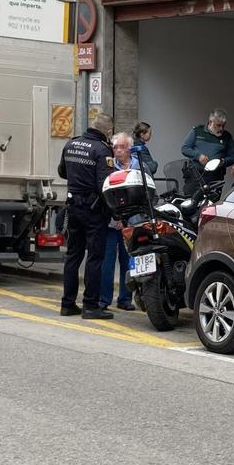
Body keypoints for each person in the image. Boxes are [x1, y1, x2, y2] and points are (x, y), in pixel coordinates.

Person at [57, 113, 115, 320]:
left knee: (73, 256)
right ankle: (90, 305)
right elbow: (105, 185)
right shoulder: (102, 150)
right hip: (93, 210)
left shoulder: (71, 144)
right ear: (108, 132)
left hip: (73, 206)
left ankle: (67, 303)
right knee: (95, 258)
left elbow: (62, 172)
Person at [101, 133, 138, 312]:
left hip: (131, 222)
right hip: (111, 222)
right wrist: (116, 217)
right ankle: (104, 299)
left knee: (128, 260)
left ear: (129, 148)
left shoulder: (139, 166)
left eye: (121, 147)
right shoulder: (108, 166)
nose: (117, 150)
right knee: (107, 261)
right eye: (115, 147)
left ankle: (125, 298)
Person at [181, 108, 234, 190]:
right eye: (218, 125)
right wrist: (198, 156)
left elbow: (233, 157)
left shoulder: (227, 137)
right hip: (195, 176)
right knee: (192, 200)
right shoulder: (197, 131)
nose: (221, 129)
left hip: (215, 178)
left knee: (212, 202)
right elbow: (185, 148)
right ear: (210, 122)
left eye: (223, 125)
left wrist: (222, 162)